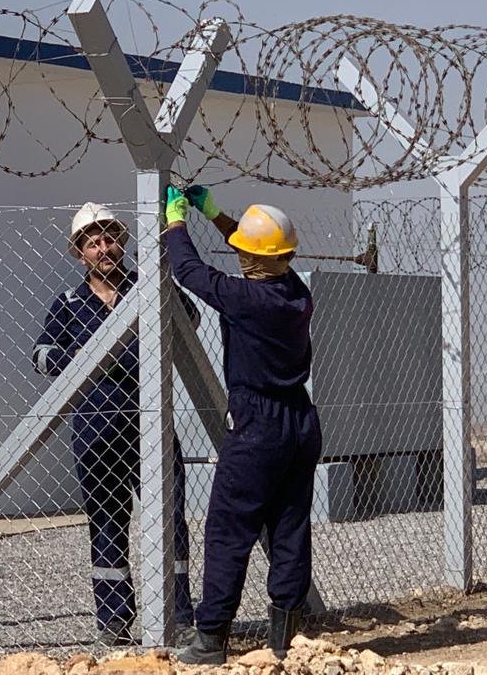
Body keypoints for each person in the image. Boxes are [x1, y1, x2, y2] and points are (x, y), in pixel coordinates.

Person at [164, 185, 322, 665]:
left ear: (251, 259)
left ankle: (211, 638)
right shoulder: (294, 291)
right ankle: (287, 639)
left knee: (228, 530)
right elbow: (255, 249)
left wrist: (175, 221)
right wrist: (216, 216)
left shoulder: (247, 298)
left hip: (257, 424)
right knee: (290, 526)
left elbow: (190, 271)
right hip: (300, 419)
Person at [32, 202, 198, 646]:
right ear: (79, 253)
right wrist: (90, 359)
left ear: (122, 242)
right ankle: (114, 620)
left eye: (109, 239)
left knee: (170, 521)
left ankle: (179, 617)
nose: (103, 248)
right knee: (106, 523)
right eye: (93, 243)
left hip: (151, 426)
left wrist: (162, 281)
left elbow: (190, 320)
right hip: (95, 432)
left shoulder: (146, 289)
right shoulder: (69, 304)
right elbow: (42, 355)